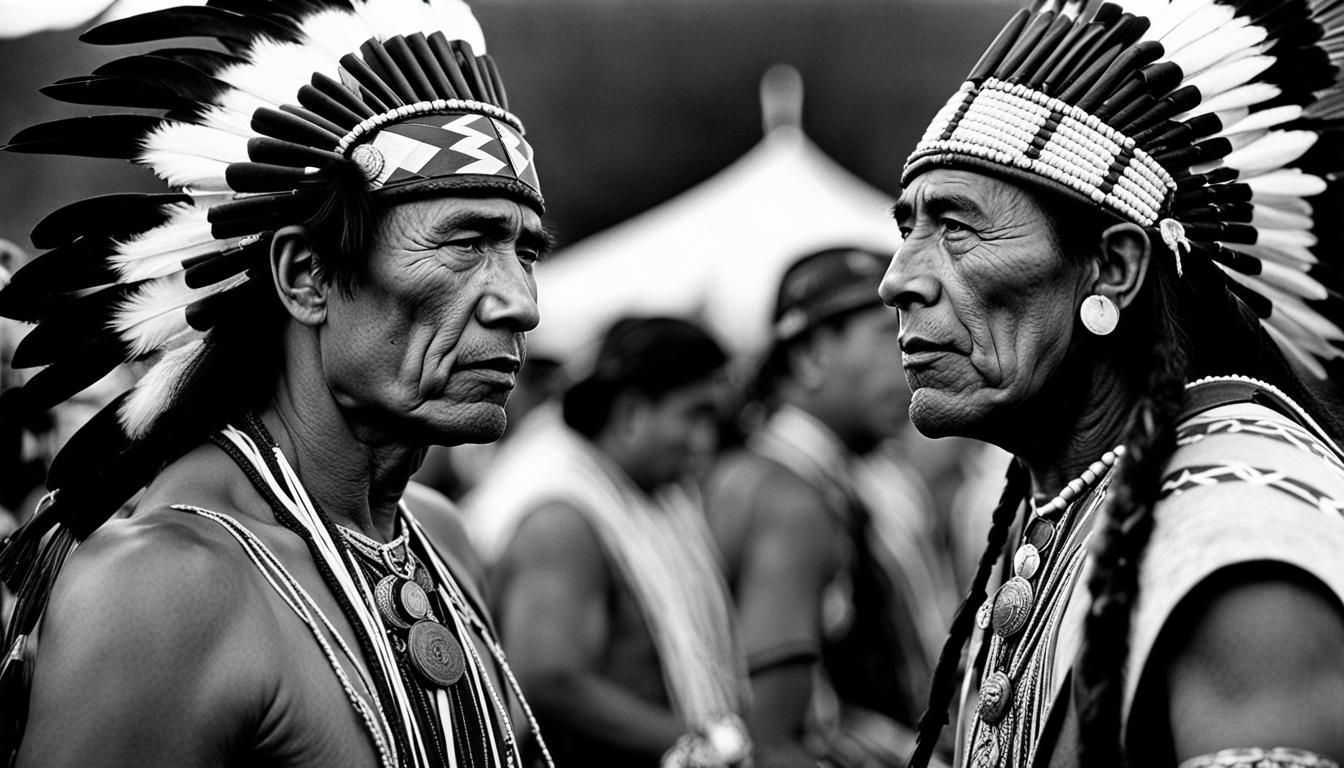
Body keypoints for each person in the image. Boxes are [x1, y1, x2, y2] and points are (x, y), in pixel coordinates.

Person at [0, 2, 557, 766]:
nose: (520, 302)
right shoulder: (167, 588)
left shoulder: (441, 539)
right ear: (307, 277)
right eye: (467, 242)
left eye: (526, 251)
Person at [881, 2, 1344, 767]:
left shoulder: (1238, 546)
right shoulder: (1071, 508)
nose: (898, 281)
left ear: (1115, 268)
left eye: (956, 228)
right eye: (910, 229)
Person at [705, 246, 958, 768]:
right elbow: (769, 739)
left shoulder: (833, 480)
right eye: (888, 335)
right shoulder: (786, 498)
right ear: (811, 356)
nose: (913, 352)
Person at [470, 316, 752, 768]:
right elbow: (548, 681)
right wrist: (705, 745)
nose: (705, 441)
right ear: (630, 414)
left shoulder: (650, 491)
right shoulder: (560, 519)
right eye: (695, 415)